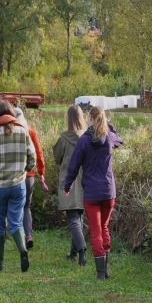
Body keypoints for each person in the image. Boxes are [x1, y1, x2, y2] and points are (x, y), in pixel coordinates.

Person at [64, 106, 122, 280]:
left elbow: (73, 166)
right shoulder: (110, 137)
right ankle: (106, 268)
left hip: (92, 193)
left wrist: (67, 185)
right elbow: (120, 139)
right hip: (108, 192)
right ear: (104, 118)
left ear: (90, 118)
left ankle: (101, 274)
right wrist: (109, 127)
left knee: (96, 231)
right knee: (104, 227)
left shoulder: (84, 140)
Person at [0, 101, 35, 272]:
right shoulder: (23, 132)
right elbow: (32, 158)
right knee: (16, 222)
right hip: (19, 185)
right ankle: (22, 250)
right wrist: (23, 171)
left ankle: (0, 264)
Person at [53, 105, 88, 265]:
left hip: (69, 180)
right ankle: (74, 253)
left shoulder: (64, 138)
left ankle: (82, 251)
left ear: (68, 118)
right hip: (85, 180)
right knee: (78, 215)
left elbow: (57, 157)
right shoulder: (87, 137)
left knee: (73, 217)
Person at [15, 107, 48, 250]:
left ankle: (19, 237)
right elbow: (39, 155)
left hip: (14, 177)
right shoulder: (31, 133)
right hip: (29, 176)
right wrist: (41, 174)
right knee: (26, 207)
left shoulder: (9, 133)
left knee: (16, 207)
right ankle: (28, 235)